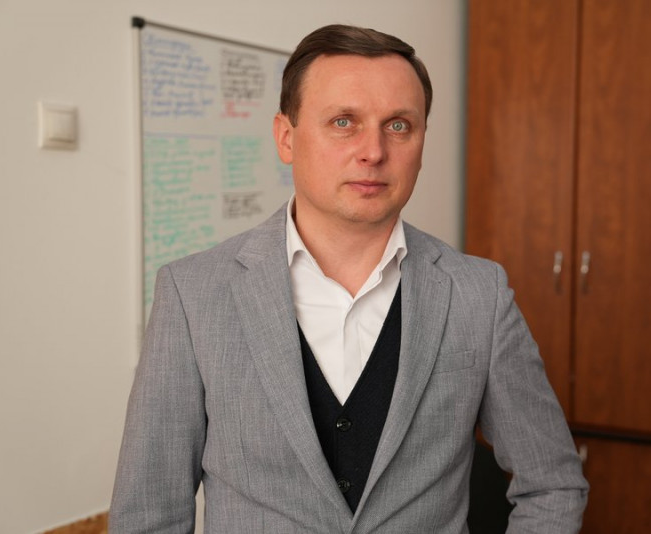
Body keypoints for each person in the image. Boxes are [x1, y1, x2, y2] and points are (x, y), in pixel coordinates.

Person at [110, 24, 588, 533]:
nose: (373, 151)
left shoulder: (478, 294)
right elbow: (149, 515)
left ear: (422, 142)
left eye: (399, 125)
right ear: (286, 137)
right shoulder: (193, 294)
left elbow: (552, 484)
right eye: (343, 122)